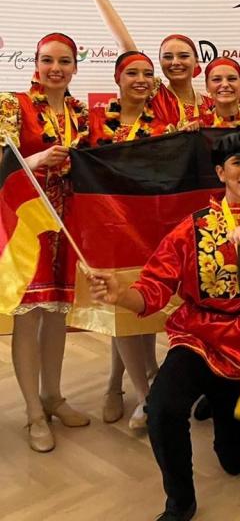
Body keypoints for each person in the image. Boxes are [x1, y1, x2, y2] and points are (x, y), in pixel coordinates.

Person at [87, 132, 240, 521]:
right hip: (201, 337)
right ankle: (179, 503)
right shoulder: (190, 229)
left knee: (235, 459)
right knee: (161, 408)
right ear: (221, 172)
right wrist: (120, 294)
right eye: (238, 163)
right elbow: (152, 290)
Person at [0, 32, 90, 452]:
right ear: (35, 63)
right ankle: (34, 412)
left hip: (67, 223)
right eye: (48, 60)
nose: (56, 69)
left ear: (75, 67)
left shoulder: (80, 113)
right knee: (28, 315)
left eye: (65, 61)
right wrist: (34, 160)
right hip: (26, 225)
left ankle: (53, 396)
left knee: (56, 314)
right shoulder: (12, 105)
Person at [84, 51, 170, 429]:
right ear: (117, 78)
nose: (140, 79)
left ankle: (125, 381)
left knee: (140, 303)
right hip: (107, 227)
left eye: (147, 73)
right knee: (118, 311)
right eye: (132, 72)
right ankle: (143, 395)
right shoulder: (92, 121)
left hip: (149, 226)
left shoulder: (164, 123)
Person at [61, 0, 211, 126]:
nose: (175, 62)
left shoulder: (212, 105)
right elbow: (126, 47)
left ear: (196, 61)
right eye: (168, 57)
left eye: (183, 56)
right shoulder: (153, 93)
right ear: (160, 62)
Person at [200, 58, 240, 128]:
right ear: (207, 87)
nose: (225, 84)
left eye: (232, 79)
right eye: (216, 79)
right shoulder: (197, 125)